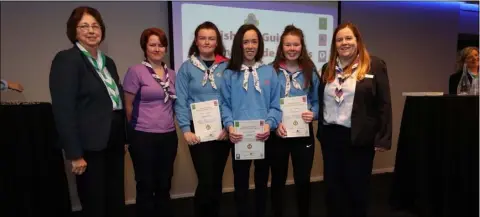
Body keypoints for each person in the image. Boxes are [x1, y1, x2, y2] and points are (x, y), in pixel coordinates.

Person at [49, 6, 126, 217]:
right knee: (95, 203)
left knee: (115, 199)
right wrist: (74, 154)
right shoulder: (67, 60)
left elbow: (114, 99)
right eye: (84, 26)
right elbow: (63, 110)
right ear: (74, 31)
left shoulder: (107, 62)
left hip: (113, 141)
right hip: (89, 147)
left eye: (95, 26)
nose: (91, 31)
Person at [316, 22, 392, 217]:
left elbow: (384, 104)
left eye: (349, 38)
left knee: (357, 190)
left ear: (357, 40)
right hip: (331, 137)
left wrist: (383, 137)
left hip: (359, 138)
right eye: (339, 39)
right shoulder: (328, 67)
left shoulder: (374, 64)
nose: (344, 43)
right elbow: (321, 99)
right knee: (333, 190)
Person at [220, 23, 282, 217]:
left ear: (259, 44)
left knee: (262, 182)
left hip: (264, 135)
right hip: (239, 137)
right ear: (239, 44)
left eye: (254, 41)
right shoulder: (229, 73)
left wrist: (270, 124)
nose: (250, 46)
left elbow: (275, 105)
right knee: (241, 183)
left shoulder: (269, 72)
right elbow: (224, 104)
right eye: (246, 41)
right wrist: (229, 126)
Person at [174, 21, 230, 217]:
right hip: (196, 131)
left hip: (223, 131)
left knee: (216, 179)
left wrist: (228, 126)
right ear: (196, 42)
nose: (207, 42)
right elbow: (180, 100)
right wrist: (185, 129)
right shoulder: (187, 68)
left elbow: (231, 98)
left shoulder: (228, 65)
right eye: (202, 38)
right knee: (205, 179)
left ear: (217, 42)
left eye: (211, 38)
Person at [123, 27, 178, 217]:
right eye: (152, 44)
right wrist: (134, 132)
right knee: (145, 184)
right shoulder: (135, 71)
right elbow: (128, 107)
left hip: (168, 136)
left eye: (161, 45)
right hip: (143, 136)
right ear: (145, 47)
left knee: (164, 183)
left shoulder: (171, 73)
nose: (157, 48)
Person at [270, 25, 319, 217]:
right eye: (288, 44)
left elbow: (317, 101)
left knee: (303, 180)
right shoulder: (271, 72)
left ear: (302, 46)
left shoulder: (310, 71)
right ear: (281, 47)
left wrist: (313, 113)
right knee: (277, 180)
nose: (292, 48)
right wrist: (274, 124)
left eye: (295, 44)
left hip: (303, 135)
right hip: (278, 134)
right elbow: (266, 103)